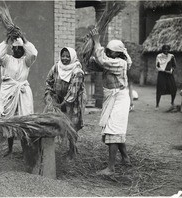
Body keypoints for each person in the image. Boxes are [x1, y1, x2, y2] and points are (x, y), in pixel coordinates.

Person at [90, 28, 132, 176]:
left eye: (110, 51)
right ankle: (126, 159)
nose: (107, 53)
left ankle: (111, 168)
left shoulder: (120, 63)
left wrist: (96, 42)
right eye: (106, 50)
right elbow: (98, 63)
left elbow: (102, 60)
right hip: (113, 98)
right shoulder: (114, 60)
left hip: (119, 99)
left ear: (118, 53)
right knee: (115, 129)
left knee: (112, 130)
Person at [0, 35, 38, 156]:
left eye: (21, 48)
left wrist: (24, 39)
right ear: (12, 49)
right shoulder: (6, 60)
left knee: (25, 118)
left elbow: (33, 54)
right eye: (15, 48)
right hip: (9, 91)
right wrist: (6, 40)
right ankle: (10, 148)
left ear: (24, 49)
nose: (18, 50)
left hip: (23, 92)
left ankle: (26, 148)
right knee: (9, 119)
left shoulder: (26, 61)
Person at [44, 47, 86, 159]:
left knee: (71, 125)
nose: (65, 58)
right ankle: (53, 149)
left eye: (68, 56)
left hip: (72, 102)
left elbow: (73, 92)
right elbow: (49, 81)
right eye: (63, 55)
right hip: (58, 99)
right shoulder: (57, 67)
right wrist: (49, 94)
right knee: (56, 123)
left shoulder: (77, 72)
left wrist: (61, 105)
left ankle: (72, 150)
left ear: (72, 57)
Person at [155, 44, 177, 111]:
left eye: (167, 49)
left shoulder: (171, 56)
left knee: (174, 88)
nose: (166, 51)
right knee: (160, 88)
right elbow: (157, 66)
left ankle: (172, 102)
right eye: (164, 49)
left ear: (169, 50)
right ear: (162, 49)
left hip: (169, 75)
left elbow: (174, 65)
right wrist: (164, 70)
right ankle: (157, 105)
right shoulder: (159, 56)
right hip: (162, 75)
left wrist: (171, 70)